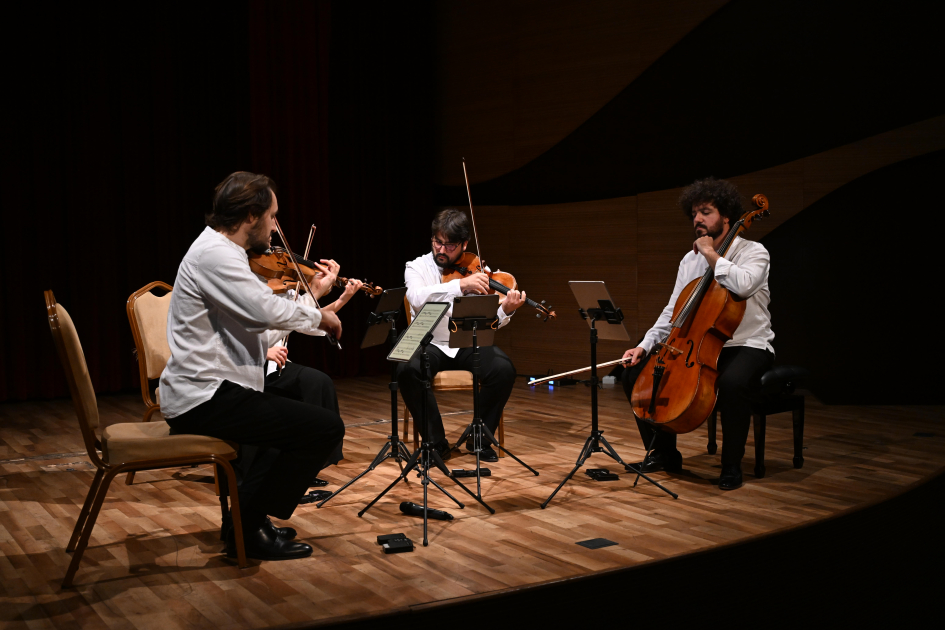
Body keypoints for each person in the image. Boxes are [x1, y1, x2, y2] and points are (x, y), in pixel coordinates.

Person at [160, 171, 345, 560]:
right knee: (323, 429)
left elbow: (258, 325)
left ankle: (245, 524)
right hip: (203, 396)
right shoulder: (215, 255)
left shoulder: (226, 253)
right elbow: (262, 310)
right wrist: (320, 318)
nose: (276, 227)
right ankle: (249, 528)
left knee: (296, 415)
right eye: (273, 216)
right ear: (250, 215)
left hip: (221, 389)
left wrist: (316, 308)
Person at [621, 177, 775, 490]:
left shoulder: (754, 252)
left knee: (731, 383)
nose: (698, 219)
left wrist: (711, 255)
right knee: (633, 373)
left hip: (746, 344)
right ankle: (663, 453)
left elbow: (743, 284)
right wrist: (644, 345)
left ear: (727, 217)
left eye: (706, 212)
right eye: (694, 213)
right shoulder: (688, 260)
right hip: (697, 343)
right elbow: (673, 312)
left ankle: (731, 465)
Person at [397, 208, 526, 463]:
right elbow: (416, 298)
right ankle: (436, 443)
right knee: (406, 370)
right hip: (429, 340)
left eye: (450, 245)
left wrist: (506, 310)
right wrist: (459, 285)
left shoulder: (477, 268)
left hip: (468, 340)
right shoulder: (416, 267)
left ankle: (480, 439)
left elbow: (489, 322)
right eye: (437, 242)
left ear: (464, 244)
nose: (442, 250)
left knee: (503, 369)